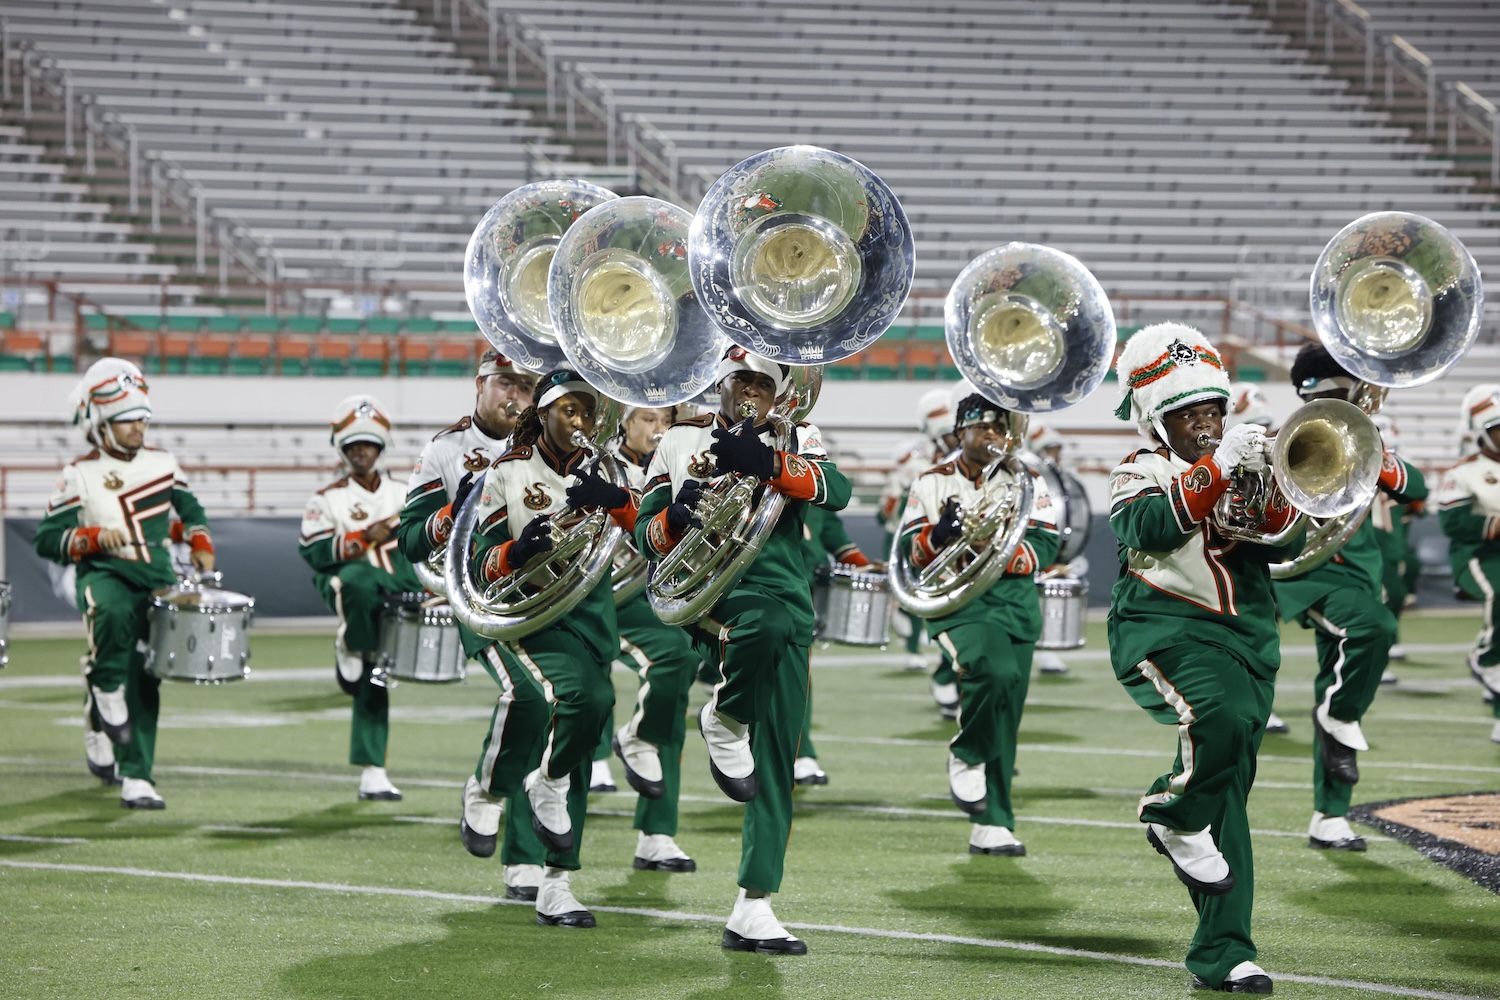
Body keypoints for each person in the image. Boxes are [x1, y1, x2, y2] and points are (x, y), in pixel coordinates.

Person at [637, 346, 852, 955]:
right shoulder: (680, 440)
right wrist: (676, 517)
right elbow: (643, 528)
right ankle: (724, 716)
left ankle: (753, 905)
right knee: (761, 624)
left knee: (778, 759)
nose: (750, 391)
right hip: (714, 595)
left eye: (762, 382)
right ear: (720, 386)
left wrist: (765, 460)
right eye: (740, 381)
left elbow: (837, 489)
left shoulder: (796, 435)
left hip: (788, 604)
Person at [1108, 323, 1303, 995]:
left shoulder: (1244, 461)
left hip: (1250, 637)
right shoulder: (1138, 469)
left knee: (1230, 800)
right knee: (1214, 721)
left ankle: (1224, 952)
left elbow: (1281, 541)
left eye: (1214, 412)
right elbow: (1147, 528)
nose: (1206, 425)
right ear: (1159, 422)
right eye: (1190, 414)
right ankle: (1170, 812)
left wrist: (1275, 481)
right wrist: (1217, 469)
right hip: (1166, 627)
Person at [469, 368, 639, 927]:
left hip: (591, 616)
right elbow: (480, 559)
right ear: (543, 414)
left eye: (588, 412)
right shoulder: (508, 472)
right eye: (569, 410)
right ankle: (496, 788)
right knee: (574, 703)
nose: (581, 422)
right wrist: (519, 551)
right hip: (533, 616)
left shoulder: (606, 470)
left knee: (589, 722)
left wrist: (616, 498)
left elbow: (655, 533)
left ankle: (557, 882)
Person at [396, 349, 551, 902]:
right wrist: (448, 516)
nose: (516, 397)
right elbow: (408, 539)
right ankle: (485, 791)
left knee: (556, 713)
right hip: (478, 593)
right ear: (479, 385)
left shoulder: (545, 446)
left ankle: (527, 862)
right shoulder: (445, 449)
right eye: (506, 383)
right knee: (529, 695)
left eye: (526, 388)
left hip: (544, 590)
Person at [34, 358, 216, 809]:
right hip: (103, 573)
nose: (139, 425)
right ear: (101, 424)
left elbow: (191, 512)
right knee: (112, 618)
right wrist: (91, 537)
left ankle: (137, 775)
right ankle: (103, 687)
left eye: (142, 416)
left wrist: (201, 543)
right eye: (126, 418)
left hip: (156, 576)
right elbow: (45, 539)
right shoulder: (78, 473)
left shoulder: (164, 463)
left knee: (146, 675)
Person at [1272, 345, 1426, 852]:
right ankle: (1339, 716)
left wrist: (1374, 456)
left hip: (1359, 574)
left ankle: (1328, 815)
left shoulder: (1367, 438)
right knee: (1373, 629)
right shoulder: (1282, 434)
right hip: (1310, 575)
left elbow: (1416, 487)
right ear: (1313, 390)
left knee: (1334, 676)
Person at [896, 393, 1059, 857]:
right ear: (960, 432)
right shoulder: (931, 481)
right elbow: (911, 551)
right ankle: (966, 752)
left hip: (1015, 604)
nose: (993, 438)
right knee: (994, 671)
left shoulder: (1027, 480)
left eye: (1000, 430)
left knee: (1007, 714)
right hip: (959, 603)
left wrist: (998, 553)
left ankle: (993, 821)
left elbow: (1046, 544)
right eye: (982, 429)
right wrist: (942, 534)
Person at [299, 395, 418, 802]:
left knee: (373, 677)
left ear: (382, 446)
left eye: (368, 444)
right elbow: (312, 552)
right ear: (342, 450)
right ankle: (350, 639)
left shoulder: (407, 493)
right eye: (352, 446)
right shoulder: (326, 498)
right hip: (346, 588)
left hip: (393, 592)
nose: (361, 452)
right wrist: (361, 538)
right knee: (357, 579)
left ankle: (374, 771)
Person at [608, 403, 701, 872]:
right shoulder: (602, 462)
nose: (659, 430)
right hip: (602, 596)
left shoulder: (682, 458)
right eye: (649, 419)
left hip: (658, 594)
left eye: (667, 421)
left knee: (675, 684)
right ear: (624, 421)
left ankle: (657, 834)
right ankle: (532, 860)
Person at [797, 497, 879, 786]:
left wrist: (864, 567)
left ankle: (799, 752)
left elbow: (833, 534)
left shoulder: (814, 482)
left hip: (802, 592)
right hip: (759, 587)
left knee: (798, 675)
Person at [1223, 383, 1290, 735]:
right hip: (1217, 570)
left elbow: (1283, 544)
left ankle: (1262, 706)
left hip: (1254, 567)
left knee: (1263, 635)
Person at [1436, 384, 1500, 745]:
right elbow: (1453, 523)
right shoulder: (1464, 472)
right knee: (1499, 592)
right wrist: (1495, 524)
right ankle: (1484, 656)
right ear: (1482, 432)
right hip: (1478, 554)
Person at [879, 388, 955, 676]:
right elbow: (893, 515)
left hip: (943, 541)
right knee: (915, 595)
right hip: (917, 539)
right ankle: (912, 646)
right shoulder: (918, 470)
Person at [1026, 422, 1077, 678]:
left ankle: (1046, 649)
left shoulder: (1059, 477)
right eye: (1049, 448)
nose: (1054, 454)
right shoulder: (1027, 476)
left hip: (1051, 543)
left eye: (1056, 449)